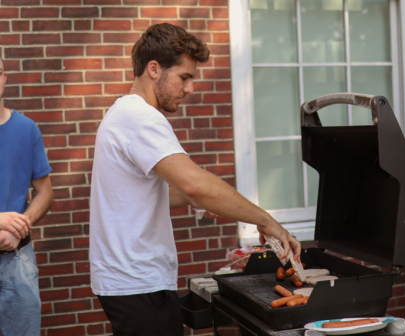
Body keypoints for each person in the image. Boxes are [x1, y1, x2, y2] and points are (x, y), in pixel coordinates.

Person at [89, 23, 302, 336]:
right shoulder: (142, 119)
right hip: (138, 283)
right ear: (153, 69)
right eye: (184, 77)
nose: (190, 88)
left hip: (128, 281)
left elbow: (145, 192)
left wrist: (197, 201)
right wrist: (267, 221)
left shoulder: (123, 112)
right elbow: (195, 184)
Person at [0, 55, 54, 336]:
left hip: (17, 259)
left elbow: (45, 192)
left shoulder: (27, 129)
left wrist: (20, 226)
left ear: (5, 77)